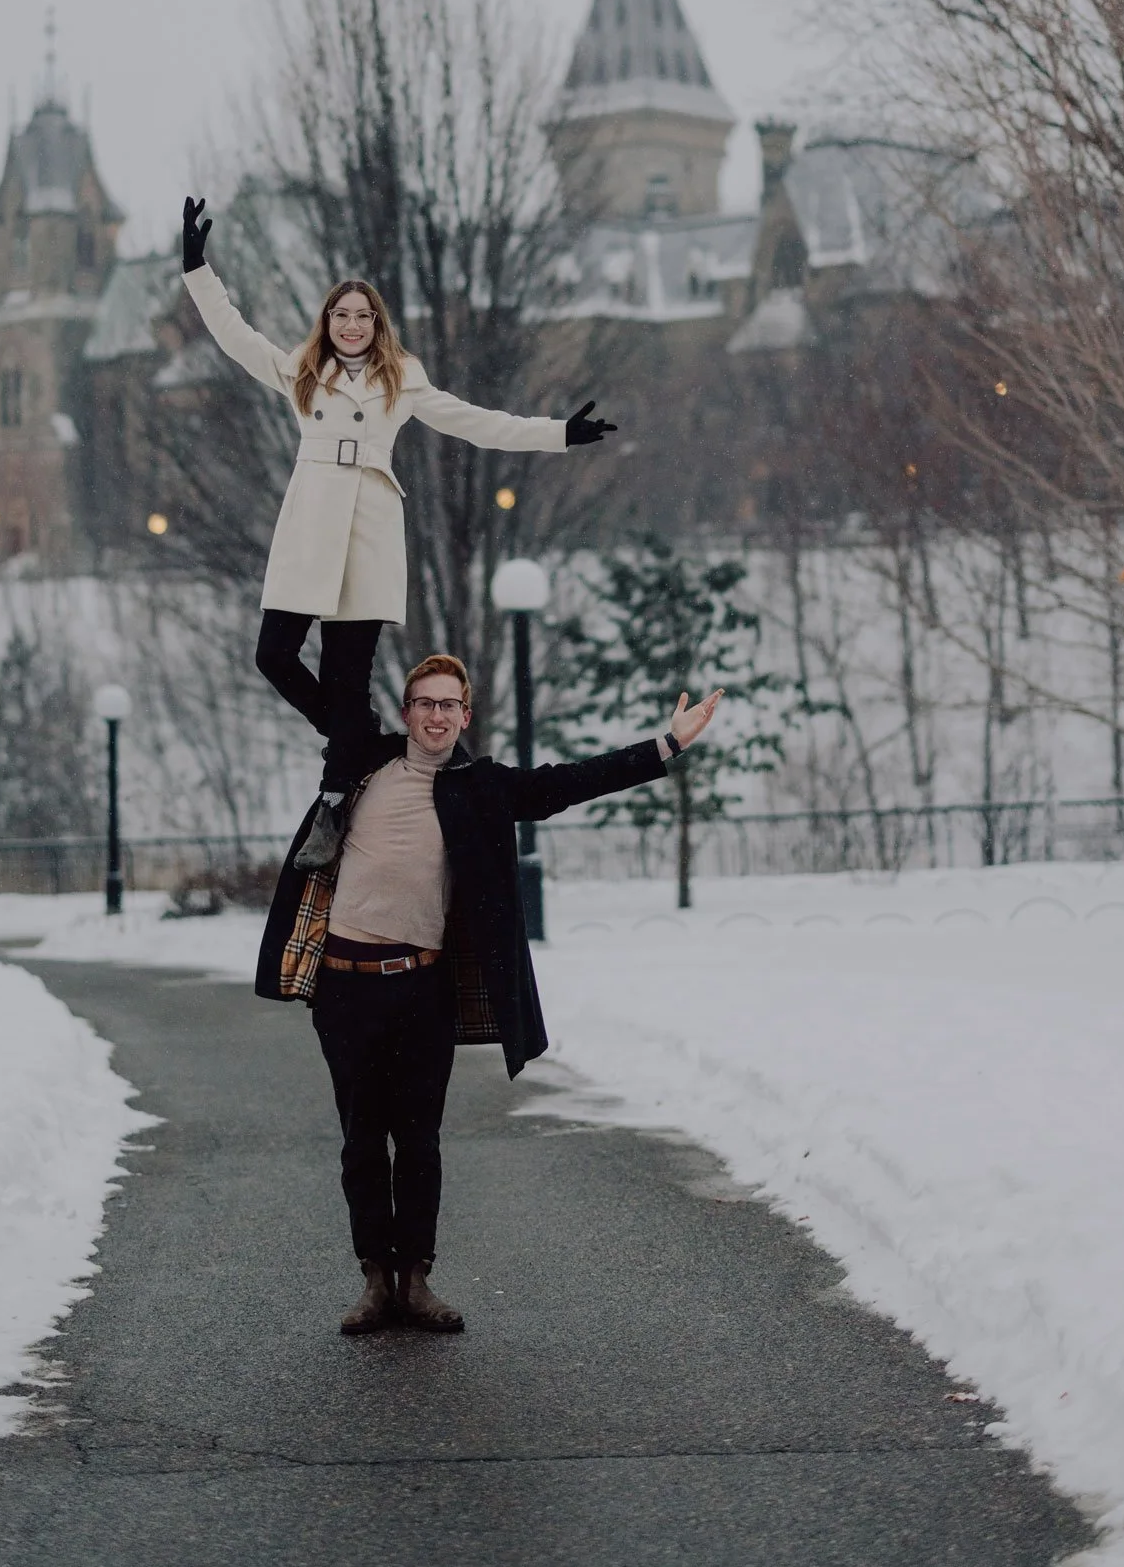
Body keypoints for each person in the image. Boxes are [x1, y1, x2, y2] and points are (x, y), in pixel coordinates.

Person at [255, 649, 724, 1334]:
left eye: (449, 704)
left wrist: (667, 744)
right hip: (345, 989)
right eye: (424, 702)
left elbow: (568, 783)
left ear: (463, 716)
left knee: (418, 1139)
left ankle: (414, 1281)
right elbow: (303, 679)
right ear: (407, 712)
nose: (436, 714)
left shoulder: (481, 786)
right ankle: (373, 1283)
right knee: (362, 1139)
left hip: (421, 987)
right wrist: (329, 624)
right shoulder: (362, 762)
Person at [180, 194, 614, 866]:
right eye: (341, 314)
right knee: (274, 655)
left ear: (376, 324)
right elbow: (234, 336)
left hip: (371, 527)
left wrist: (558, 434)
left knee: (349, 679)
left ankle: (335, 797)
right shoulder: (300, 372)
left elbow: (476, 421)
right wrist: (197, 270)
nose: (351, 324)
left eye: (362, 315)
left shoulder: (402, 382)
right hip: (308, 523)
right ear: (327, 321)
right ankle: (358, 740)